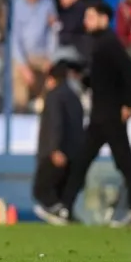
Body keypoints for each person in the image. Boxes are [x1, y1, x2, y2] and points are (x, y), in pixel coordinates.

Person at [57, 2, 131, 226]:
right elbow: (103, 78)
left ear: (105, 18)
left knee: (120, 163)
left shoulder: (109, 44)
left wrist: (129, 103)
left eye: (91, 16)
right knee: (86, 162)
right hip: (101, 116)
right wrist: (84, 79)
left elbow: (129, 73)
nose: (87, 21)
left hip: (110, 116)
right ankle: (66, 206)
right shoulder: (99, 44)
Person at [33, 61, 84, 225]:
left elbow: (56, 123)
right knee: (61, 190)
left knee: (41, 190)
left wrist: (55, 148)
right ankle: (65, 213)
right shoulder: (74, 95)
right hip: (73, 152)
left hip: (54, 151)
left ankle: (60, 211)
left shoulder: (54, 95)